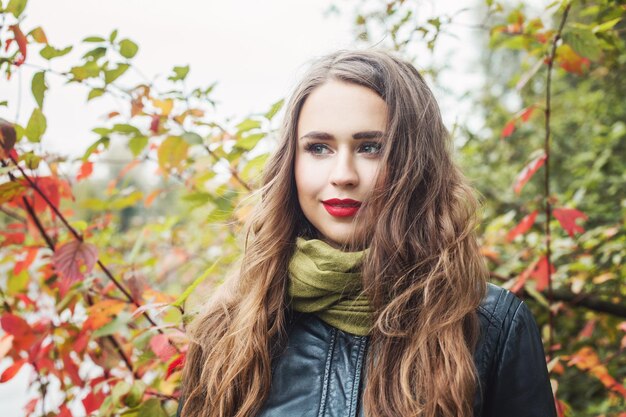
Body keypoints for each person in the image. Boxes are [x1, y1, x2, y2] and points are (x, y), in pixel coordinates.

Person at [177, 49, 556, 417]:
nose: (342, 174)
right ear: (291, 161)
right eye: (319, 148)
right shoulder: (227, 326)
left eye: (371, 147)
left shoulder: (490, 327)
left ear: (416, 163)